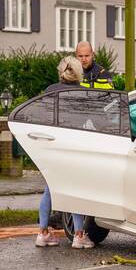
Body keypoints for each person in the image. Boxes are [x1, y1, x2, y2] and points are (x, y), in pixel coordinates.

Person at [36, 56, 91, 249]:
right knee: (74, 189)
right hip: (73, 148)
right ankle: (78, 235)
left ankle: (43, 233)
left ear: (61, 72)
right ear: (79, 73)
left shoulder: (49, 92)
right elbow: (91, 123)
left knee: (50, 189)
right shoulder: (84, 94)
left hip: (50, 147)